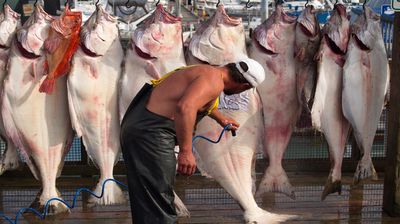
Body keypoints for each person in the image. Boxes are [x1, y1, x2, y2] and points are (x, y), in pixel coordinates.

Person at [120, 57, 265, 224]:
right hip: (151, 133)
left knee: (149, 196)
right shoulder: (214, 81)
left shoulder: (208, 72)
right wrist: (186, 152)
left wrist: (221, 118)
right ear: (245, 86)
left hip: (142, 127)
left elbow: (196, 100)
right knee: (158, 196)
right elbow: (186, 107)